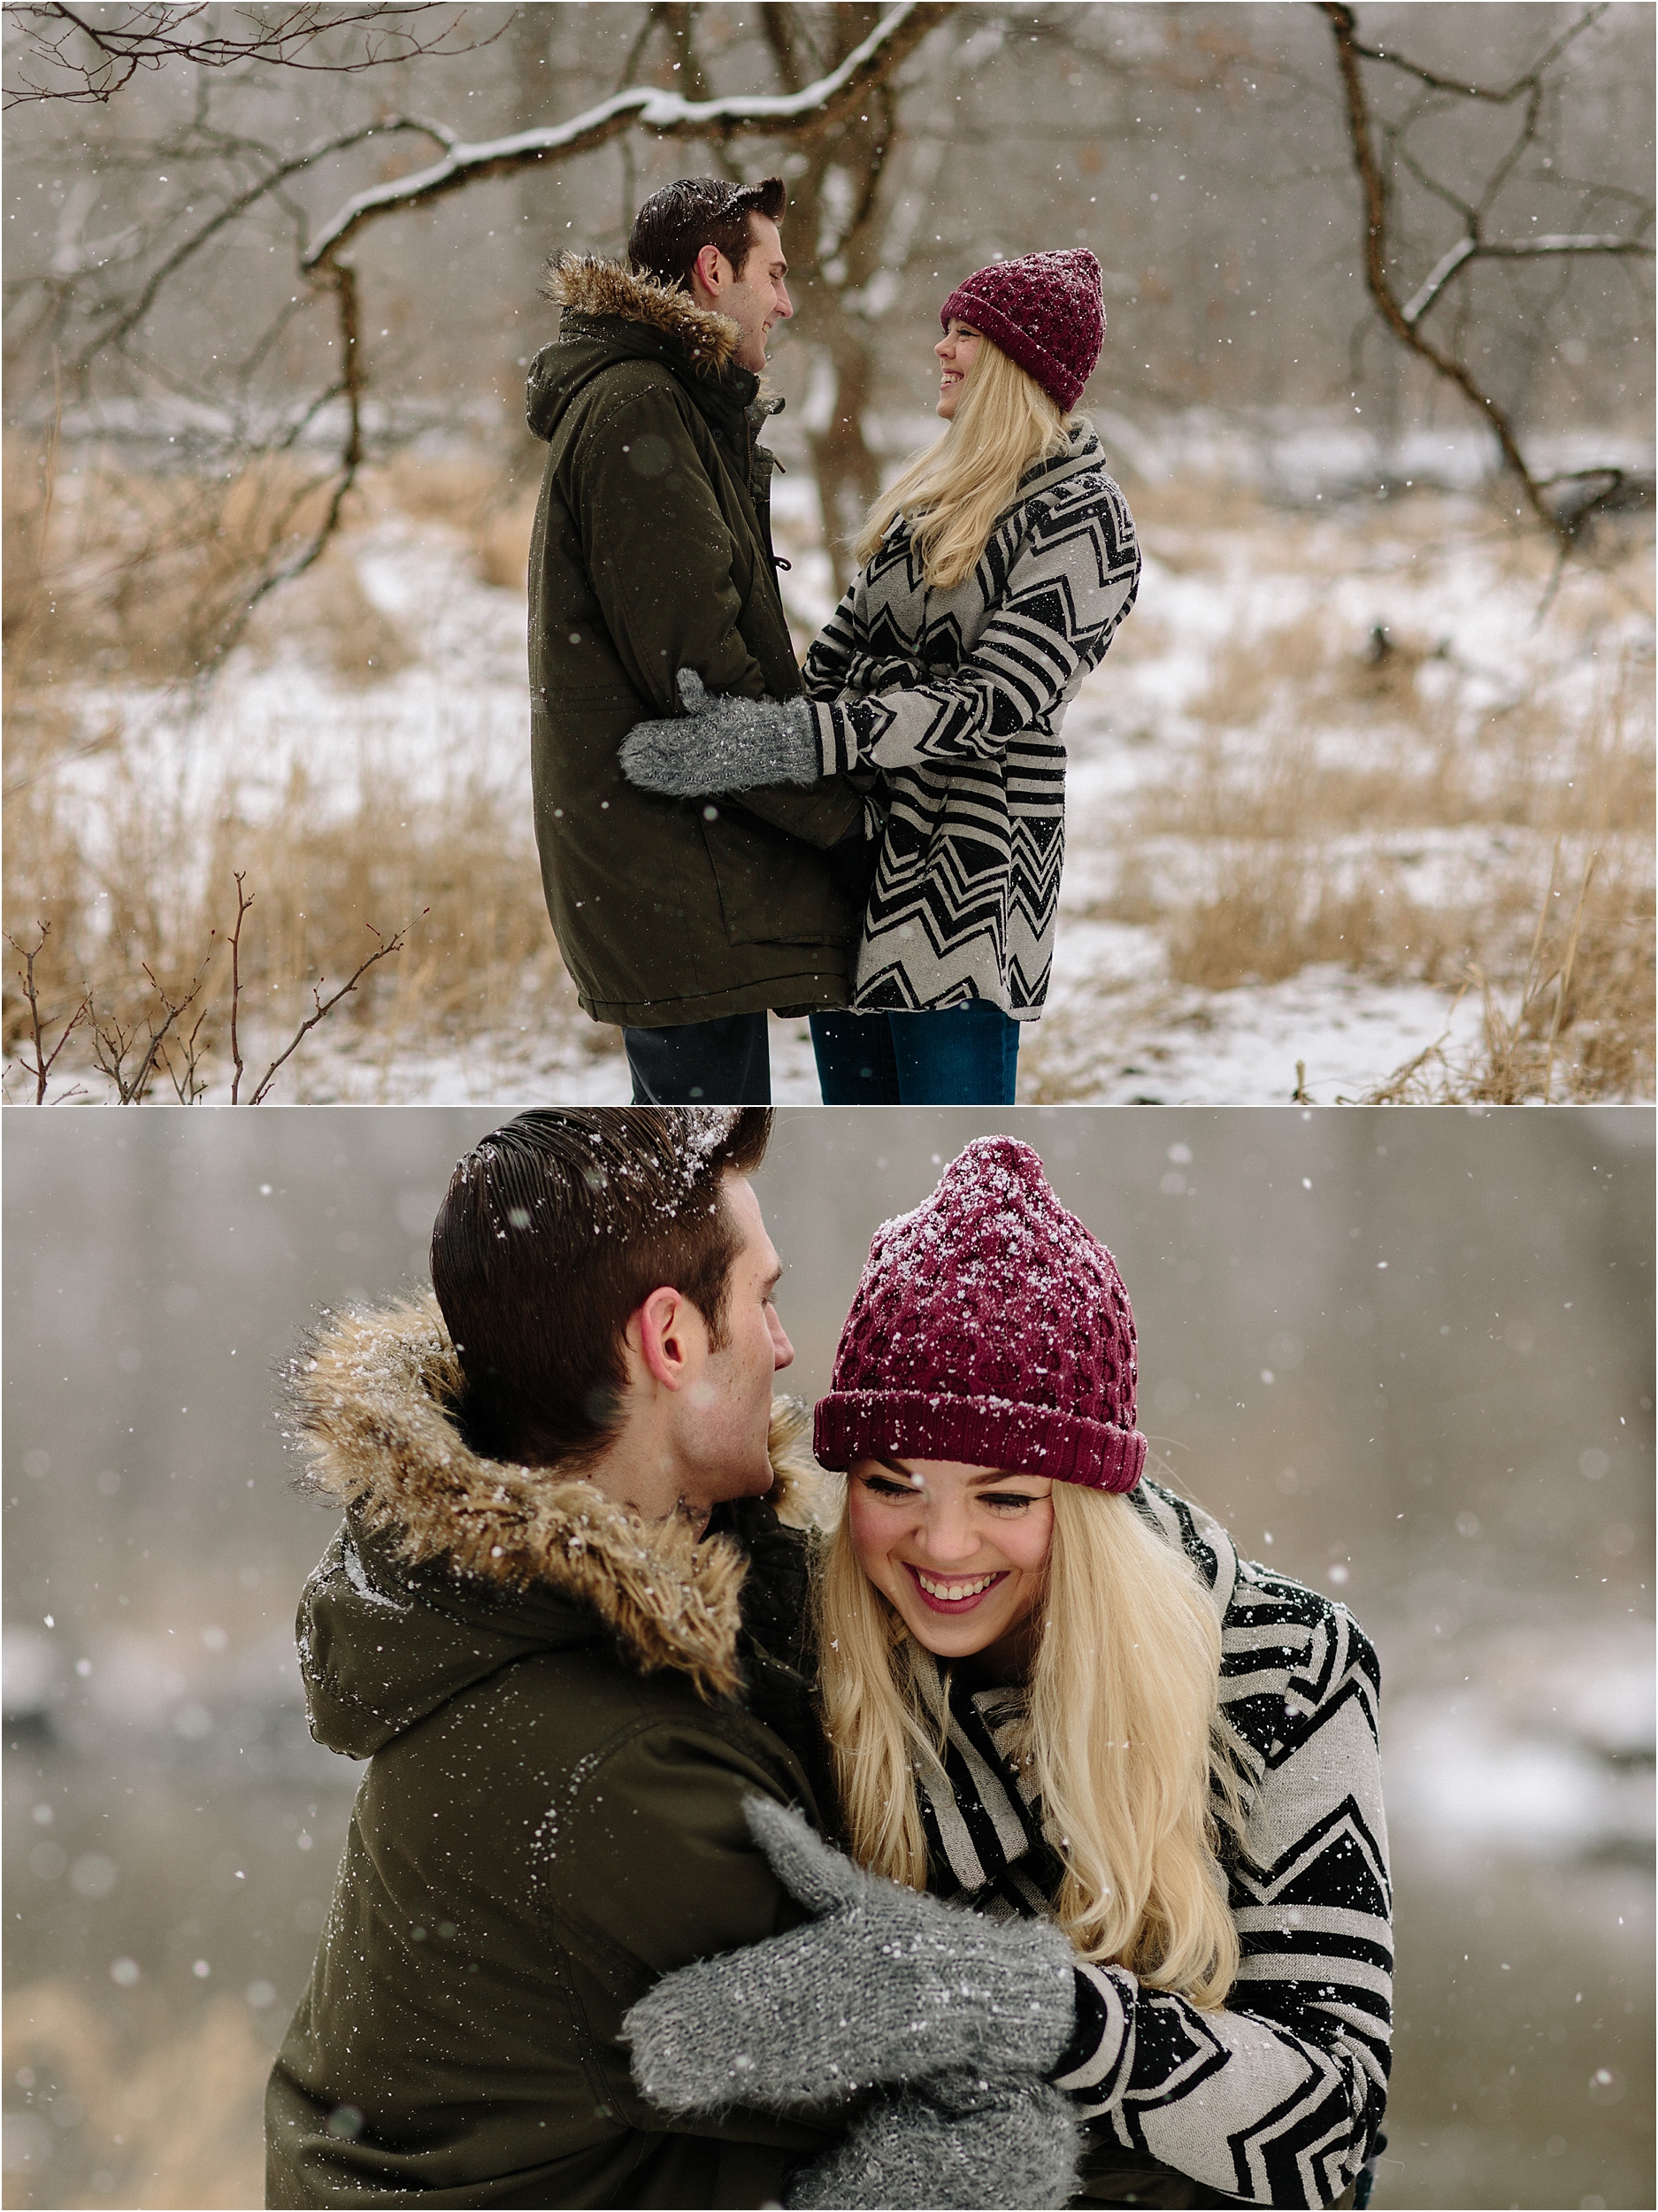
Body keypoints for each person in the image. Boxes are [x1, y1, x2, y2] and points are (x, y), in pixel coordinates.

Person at [626, 1138, 1393, 2210]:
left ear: (1084, 1508)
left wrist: (1017, 2002)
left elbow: (1331, 2129)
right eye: (893, 1484)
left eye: (1002, 1496)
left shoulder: (1283, 1665)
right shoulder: (803, 1638)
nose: (942, 1547)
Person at [265, 1109, 856, 2207]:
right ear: (671, 1339)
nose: (782, 1347)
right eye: (762, 1300)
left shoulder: (496, 1618)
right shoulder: (617, 1775)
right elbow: (977, 2080)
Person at [621, 251, 1141, 1106]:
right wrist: (738, 724)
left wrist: (799, 739)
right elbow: (838, 652)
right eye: (946, 330)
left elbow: (995, 700)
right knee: (859, 1136)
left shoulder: (1084, 515)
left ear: (1021, 365)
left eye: (968, 335)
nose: (942, 349)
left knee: (941, 1138)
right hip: (857, 867)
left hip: (964, 886)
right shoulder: (932, 497)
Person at [526, 178, 870, 1107]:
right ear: (712, 272)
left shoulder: (665, 405)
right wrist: (845, 819)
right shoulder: (641, 409)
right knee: (700, 1178)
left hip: (678, 872)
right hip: (674, 878)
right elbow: (701, 685)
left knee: (698, 1169)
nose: (786, 302)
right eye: (773, 273)